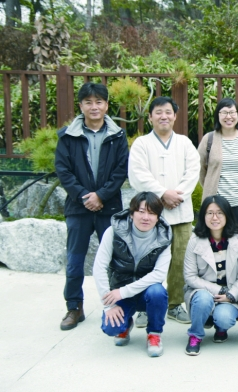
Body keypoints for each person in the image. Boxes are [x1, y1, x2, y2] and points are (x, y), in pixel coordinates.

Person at [55, 82, 129, 331]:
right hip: (78, 207)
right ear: (81, 106)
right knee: (75, 260)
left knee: (115, 259)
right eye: (88, 102)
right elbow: (63, 170)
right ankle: (74, 307)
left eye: (99, 102)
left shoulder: (118, 135)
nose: (94, 106)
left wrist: (101, 196)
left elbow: (121, 170)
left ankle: (119, 305)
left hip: (109, 207)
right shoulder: (68, 136)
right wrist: (85, 196)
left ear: (106, 105)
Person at [128, 96, 200, 325]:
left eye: (168, 112)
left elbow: (193, 172)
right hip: (150, 214)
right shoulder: (141, 144)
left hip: (180, 211)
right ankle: (144, 306)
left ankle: (175, 304)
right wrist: (162, 194)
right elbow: (138, 175)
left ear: (175, 116)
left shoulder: (185, 143)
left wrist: (176, 195)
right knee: (146, 261)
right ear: (150, 116)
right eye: (158, 112)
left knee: (180, 260)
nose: (163, 116)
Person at [92, 192, 172, 357]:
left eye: (152, 213)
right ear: (131, 213)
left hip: (145, 293)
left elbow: (159, 274)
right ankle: (126, 323)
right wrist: (109, 305)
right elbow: (99, 267)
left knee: (158, 292)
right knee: (111, 328)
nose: (146, 217)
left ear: (158, 217)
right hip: (119, 290)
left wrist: (124, 291)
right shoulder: (113, 232)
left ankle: (154, 334)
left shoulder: (164, 238)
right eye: (141, 211)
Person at [183, 195, 238, 355]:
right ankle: (195, 335)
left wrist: (231, 295)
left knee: (224, 318)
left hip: (230, 294)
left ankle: (220, 327)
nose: (215, 217)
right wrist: (219, 290)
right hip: (201, 292)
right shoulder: (195, 240)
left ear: (227, 215)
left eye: (220, 213)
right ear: (203, 216)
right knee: (203, 300)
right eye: (210, 213)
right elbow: (190, 276)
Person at [198, 97, 238, 242]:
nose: (228, 116)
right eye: (224, 112)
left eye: (232, 112)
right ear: (218, 115)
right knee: (215, 243)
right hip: (215, 205)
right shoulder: (208, 139)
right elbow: (200, 169)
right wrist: (209, 187)